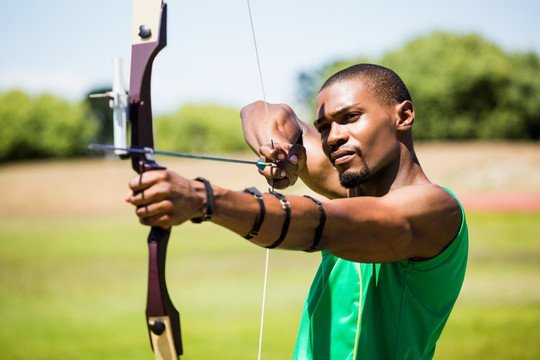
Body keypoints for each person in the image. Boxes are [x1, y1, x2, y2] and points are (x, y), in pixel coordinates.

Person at [126, 64, 468, 359]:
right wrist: (276, 145)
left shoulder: (436, 210)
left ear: (403, 116)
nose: (333, 137)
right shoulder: (351, 188)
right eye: (324, 128)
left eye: (350, 117)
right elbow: (262, 111)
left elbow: (322, 225)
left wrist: (203, 198)